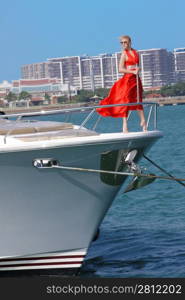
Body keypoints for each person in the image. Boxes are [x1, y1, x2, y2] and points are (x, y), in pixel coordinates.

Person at [96, 35, 147, 132]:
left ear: (130, 42)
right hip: (128, 80)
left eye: (125, 42)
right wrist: (132, 71)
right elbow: (120, 69)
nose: (124, 44)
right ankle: (125, 124)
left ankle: (143, 121)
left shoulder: (136, 53)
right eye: (122, 43)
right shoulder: (124, 54)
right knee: (126, 101)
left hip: (136, 79)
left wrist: (138, 69)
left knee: (138, 99)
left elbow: (137, 66)